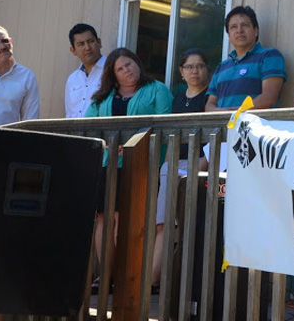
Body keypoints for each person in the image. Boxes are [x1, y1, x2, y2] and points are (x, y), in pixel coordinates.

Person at [85, 47, 173, 292]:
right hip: (105, 164)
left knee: (125, 220)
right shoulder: (101, 98)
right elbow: (90, 126)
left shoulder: (157, 89)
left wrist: (132, 145)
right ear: (113, 75)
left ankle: (125, 276)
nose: (127, 70)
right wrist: (110, 146)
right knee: (102, 220)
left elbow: (163, 123)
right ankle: (106, 276)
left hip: (141, 164)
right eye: (120, 68)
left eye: (130, 64)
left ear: (138, 63)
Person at [151, 48, 210, 290]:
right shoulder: (176, 98)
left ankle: (181, 284)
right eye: (189, 67)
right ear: (181, 72)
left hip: (200, 164)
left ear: (207, 69)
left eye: (199, 66)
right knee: (164, 223)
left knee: (190, 225)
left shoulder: (212, 98)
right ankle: (153, 281)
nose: (194, 71)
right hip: (172, 163)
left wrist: (200, 167)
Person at [205, 6, 286, 110]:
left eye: (245, 25)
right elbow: (209, 105)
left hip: (255, 125)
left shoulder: (270, 56)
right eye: (233, 27)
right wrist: (222, 114)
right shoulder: (222, 67)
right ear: (229, 36)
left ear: (255, 31)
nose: (239, 30)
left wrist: (235, 113)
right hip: (223, 125)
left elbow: (268, 98)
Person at [65, 23, 106, 118]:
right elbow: (69, 114)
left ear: (99, 42)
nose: (87, 48)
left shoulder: (112, 71)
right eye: (80, 44)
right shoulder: (72, 79)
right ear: (73, 50)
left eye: (91, 41)